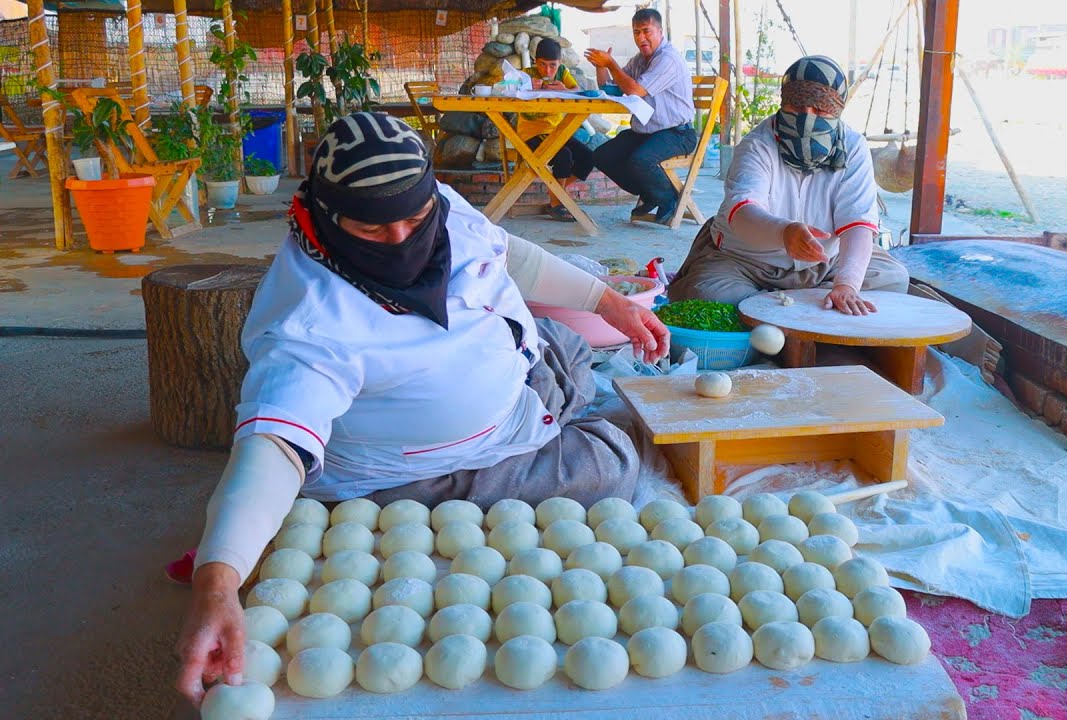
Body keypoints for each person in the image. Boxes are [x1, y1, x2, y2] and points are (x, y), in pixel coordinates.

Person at [174, 112, 670, 706]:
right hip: (425, 466)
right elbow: (275, 445)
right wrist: (218, 577)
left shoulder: (437, 202)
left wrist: (607, 300)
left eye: (416, 218)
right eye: (374, 230)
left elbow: (508, 254)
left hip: (514, 387)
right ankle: (532, 440)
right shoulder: (310, 323)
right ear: (327, 218)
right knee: (613, 462)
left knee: (567, 343)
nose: (404, 240)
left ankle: (537, 404)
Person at [667, 55, 910, 314]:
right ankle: (808, 306)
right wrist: (784, 233)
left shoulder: (853, 146)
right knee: (706, 293)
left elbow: (858, 223)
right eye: (797, 108)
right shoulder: (756, 145)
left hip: (827, 264)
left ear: (836, 111)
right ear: (784, 105)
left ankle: (776, 307)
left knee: (893, 278)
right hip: (746, 263)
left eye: (819, 111)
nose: (807, 119)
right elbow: (743, 213)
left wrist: (847, 284)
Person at [585, 8, 696, 226]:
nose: (641, 38)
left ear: (660, 32)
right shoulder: (639, 60)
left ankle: (668, 197)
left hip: (678, 134)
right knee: (602, 156)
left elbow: (634, 90)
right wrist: (601, 67)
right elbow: (613, 89)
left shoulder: (668, 59)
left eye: (647, 31)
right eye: (637, 32)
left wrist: (611, 64)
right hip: (648, 132)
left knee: (640, 160)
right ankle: (651, 192)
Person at [519, 40, 593, 222]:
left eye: (553, 65)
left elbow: (578, 91)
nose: (548, 71)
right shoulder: (526, 75)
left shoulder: (563, 73)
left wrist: (565, 90)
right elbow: (506, 89)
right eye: (542, 64)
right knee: (564, 155)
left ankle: (556, 194)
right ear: (535, 61)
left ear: (560, 63)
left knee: (588, 157)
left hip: (556, 131)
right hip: (531, 135)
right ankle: (556, 204)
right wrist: (525, 88)